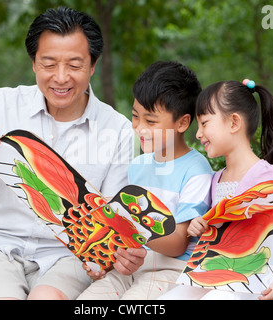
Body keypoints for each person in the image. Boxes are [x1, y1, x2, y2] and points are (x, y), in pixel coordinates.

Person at [0, 7, 145, 300]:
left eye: (74, 64)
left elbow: (110, 218)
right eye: (49, 63)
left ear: (93, 65)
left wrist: (110, 257)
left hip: (70, 257)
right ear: (33, 63)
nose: (61, 77)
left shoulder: (117, 128)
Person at [77, 61, 213, 300]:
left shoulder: (196, 170)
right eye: (135, 117)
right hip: (131, 267)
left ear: (182, 123)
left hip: (171, 269)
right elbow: (124, 236)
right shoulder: (138, 166)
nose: (139, 128)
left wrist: (127, 215)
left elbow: (177, 244)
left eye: (150, 122)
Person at [161, 79, 273, 300]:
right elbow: (218, 229)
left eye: (204, 123)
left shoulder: (266, 175)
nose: (198, 134)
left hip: (253, 279)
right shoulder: (216, 179)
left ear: (234, 123)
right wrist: (200, 224)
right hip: (216, 272)